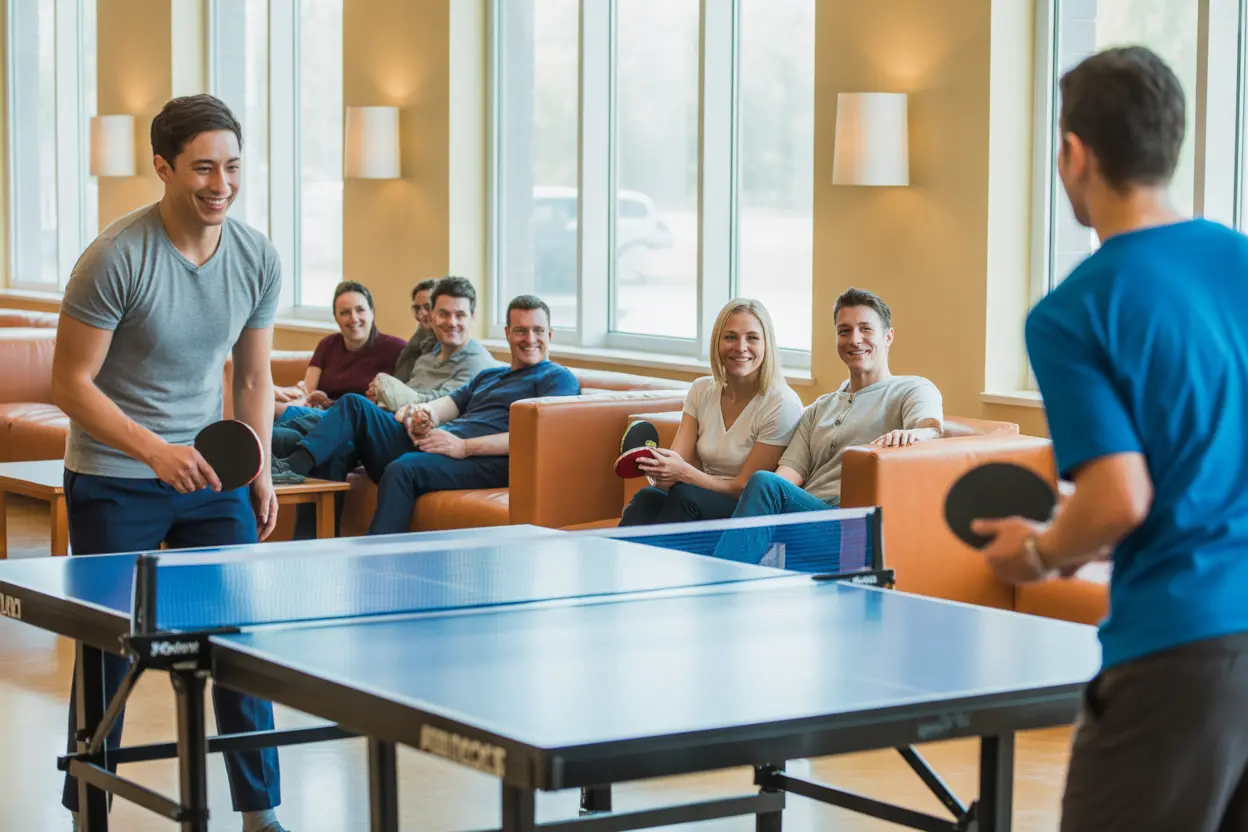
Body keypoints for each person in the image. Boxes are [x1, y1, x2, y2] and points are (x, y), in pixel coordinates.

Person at [971, 46, 1248, 831]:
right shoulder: (1240, 260)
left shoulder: (1074, 311)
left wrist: (1038, 551)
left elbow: (1120, 496)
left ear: (1073, 152)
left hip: (1180, 653)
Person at [51, 94, 286, 832]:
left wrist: (261, 471)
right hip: (115, 479)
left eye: (233, 167)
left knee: (236, 643)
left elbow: (252, 379)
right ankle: (91, 804)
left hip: (210, 482)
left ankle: (260, 811)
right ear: (163, 167)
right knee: (111, 651)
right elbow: (69, 384)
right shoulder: (117, 257)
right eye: (204, 168)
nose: (222, 183)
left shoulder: (256, 257)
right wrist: (155, 450)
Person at [270, 295, 580, 534]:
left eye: (538, 330)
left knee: (403, 469)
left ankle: (375, 564)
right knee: (352, 409)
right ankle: (309, 537)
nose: (530, 339)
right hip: (437, 447)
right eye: (521, 330)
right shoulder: (490, 376)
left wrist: (464, 447)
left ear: (550, 333)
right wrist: (418, 417)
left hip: (484, 460)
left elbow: (538, 437)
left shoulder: (557, 378)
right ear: (508, 333)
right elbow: (439, 407)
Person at [712, 287, 943, 562]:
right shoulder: (820, 407)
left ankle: (717, 585)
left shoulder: (912, 389)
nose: (855, 340)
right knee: (759, 483)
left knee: (763, 483)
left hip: (853, 525)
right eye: (844, 331)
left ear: (888, 336)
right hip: (807, 514)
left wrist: (914, 435)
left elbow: (931, 430)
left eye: (866, 329)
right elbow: (788, 477)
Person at [619, 299, 802, 525]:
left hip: (747, 507)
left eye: (752, 338)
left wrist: (683, 473)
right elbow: (679, 461)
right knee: (647, 497)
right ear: (717, 342)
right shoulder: (701, 390)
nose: (740, 347)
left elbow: (744, 487)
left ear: (767, 345)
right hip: (696, 494)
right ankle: (615, 559)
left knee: (686, 498)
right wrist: (660, 470)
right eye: (730, 337)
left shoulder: (782, 403)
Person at [272, 279, 406, 439]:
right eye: (345, 312)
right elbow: (306, 391)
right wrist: (286, 393)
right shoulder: (327, 345)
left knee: (272, 411)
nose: (354, 318)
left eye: (360, 310)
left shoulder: (397, 349)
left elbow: (401, 400)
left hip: (359, 424)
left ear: (372, 313)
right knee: (278, 434)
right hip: (318, 416)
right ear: (336, 318)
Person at [365, 275, 500, 412]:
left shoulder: (476, 362)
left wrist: (388, 390)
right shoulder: (424, 359)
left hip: (426, 428)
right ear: (433, 317)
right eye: (443, 314)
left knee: (354, 404)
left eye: (460, 315)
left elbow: (443, 406)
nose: (451, 323)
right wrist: (381, 398)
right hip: (397, 420)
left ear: (472, 318)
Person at [392, 276, 440, 382]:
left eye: (428, 307)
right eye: (417, 308)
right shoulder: (419, 338)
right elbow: (401, 375)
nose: (421, 314)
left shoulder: (450, 343)